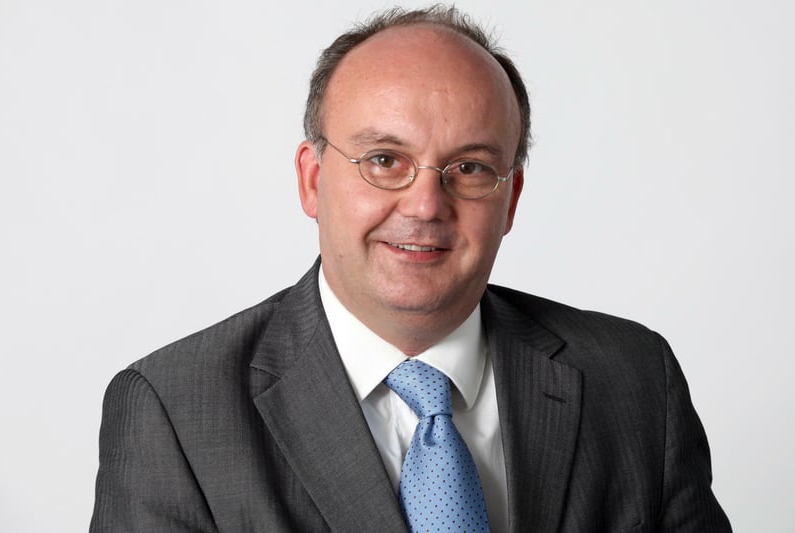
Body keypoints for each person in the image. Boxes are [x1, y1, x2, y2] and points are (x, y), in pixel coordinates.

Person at [90, 5, 731, 532]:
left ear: (510, 199)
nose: (426, 205)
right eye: (384, 160)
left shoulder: (634, 379)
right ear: (313, 181)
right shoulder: (173, 413)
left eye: (470, 168)